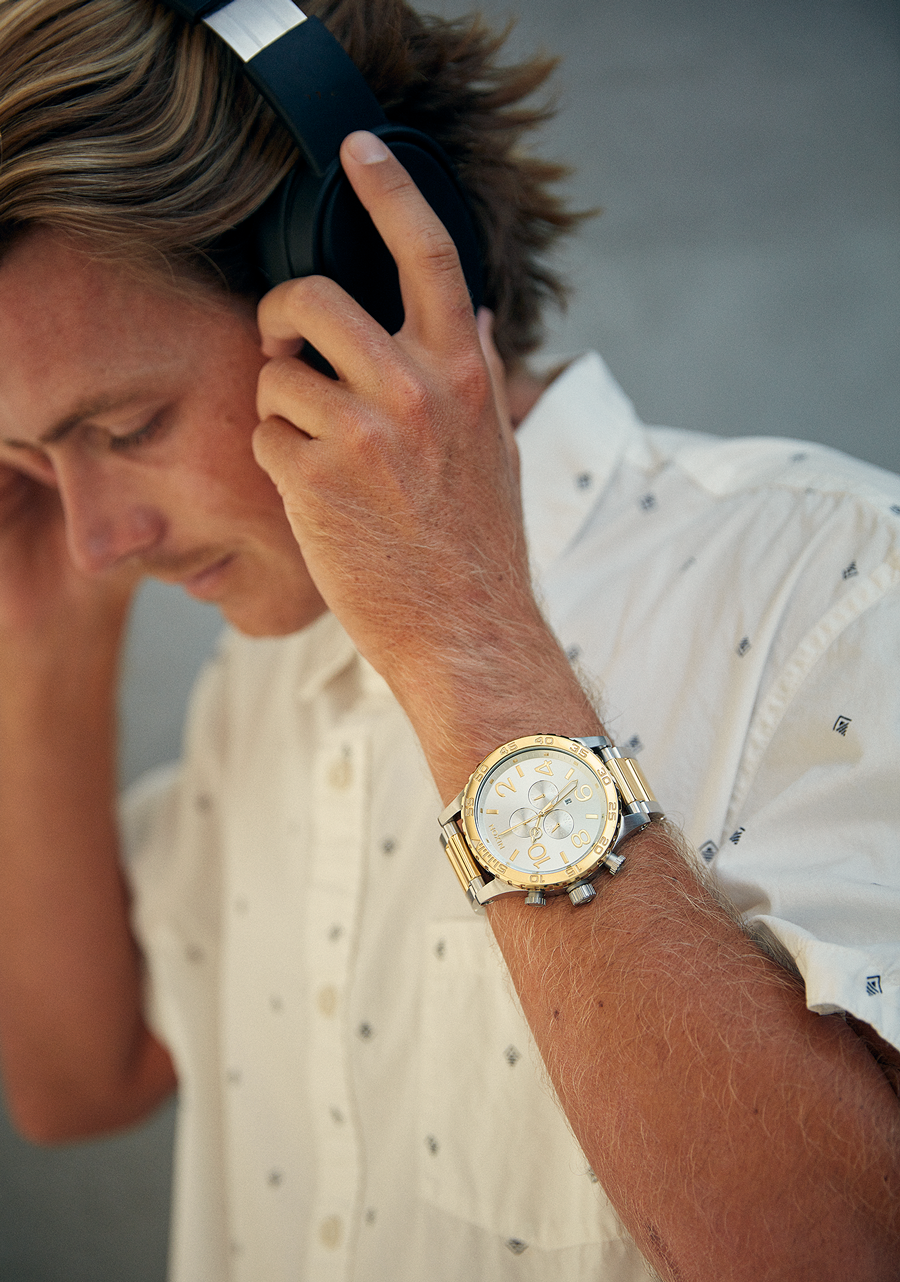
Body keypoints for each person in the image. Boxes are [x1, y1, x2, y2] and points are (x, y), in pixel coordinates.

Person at [0, 1, 898, 1279]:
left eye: (124, 426)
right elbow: (77, 1082)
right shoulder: (270, 664)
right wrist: (34, 631)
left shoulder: (843, 586)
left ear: (367, 282)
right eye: (31, 455)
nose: (96, 536)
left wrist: (468, 647)